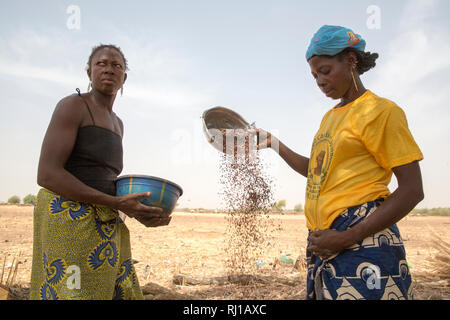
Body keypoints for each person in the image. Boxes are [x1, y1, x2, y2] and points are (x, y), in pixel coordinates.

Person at [256, 25, 424, 300]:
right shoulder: (330, 117)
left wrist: (349, 236)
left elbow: (412, 189)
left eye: (325, 71)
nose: (320, 81)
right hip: (326, 244)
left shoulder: (381, 112)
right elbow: (317, 172)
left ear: (351, 61)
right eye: (314, 76)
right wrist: (274, 143)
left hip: (364, 244)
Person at [30, 44, 169, 300]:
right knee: (74, 292)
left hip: (103, 219)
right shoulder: (73, 106)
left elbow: (104, 179)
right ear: (89, 73)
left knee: (117, 291)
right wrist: (114, 202)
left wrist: (143, 211)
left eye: (117, 66)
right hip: (67, 218)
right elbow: (47, 174)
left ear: (124, 78)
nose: (109, 69)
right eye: (101, 64)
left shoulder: (118, 123)